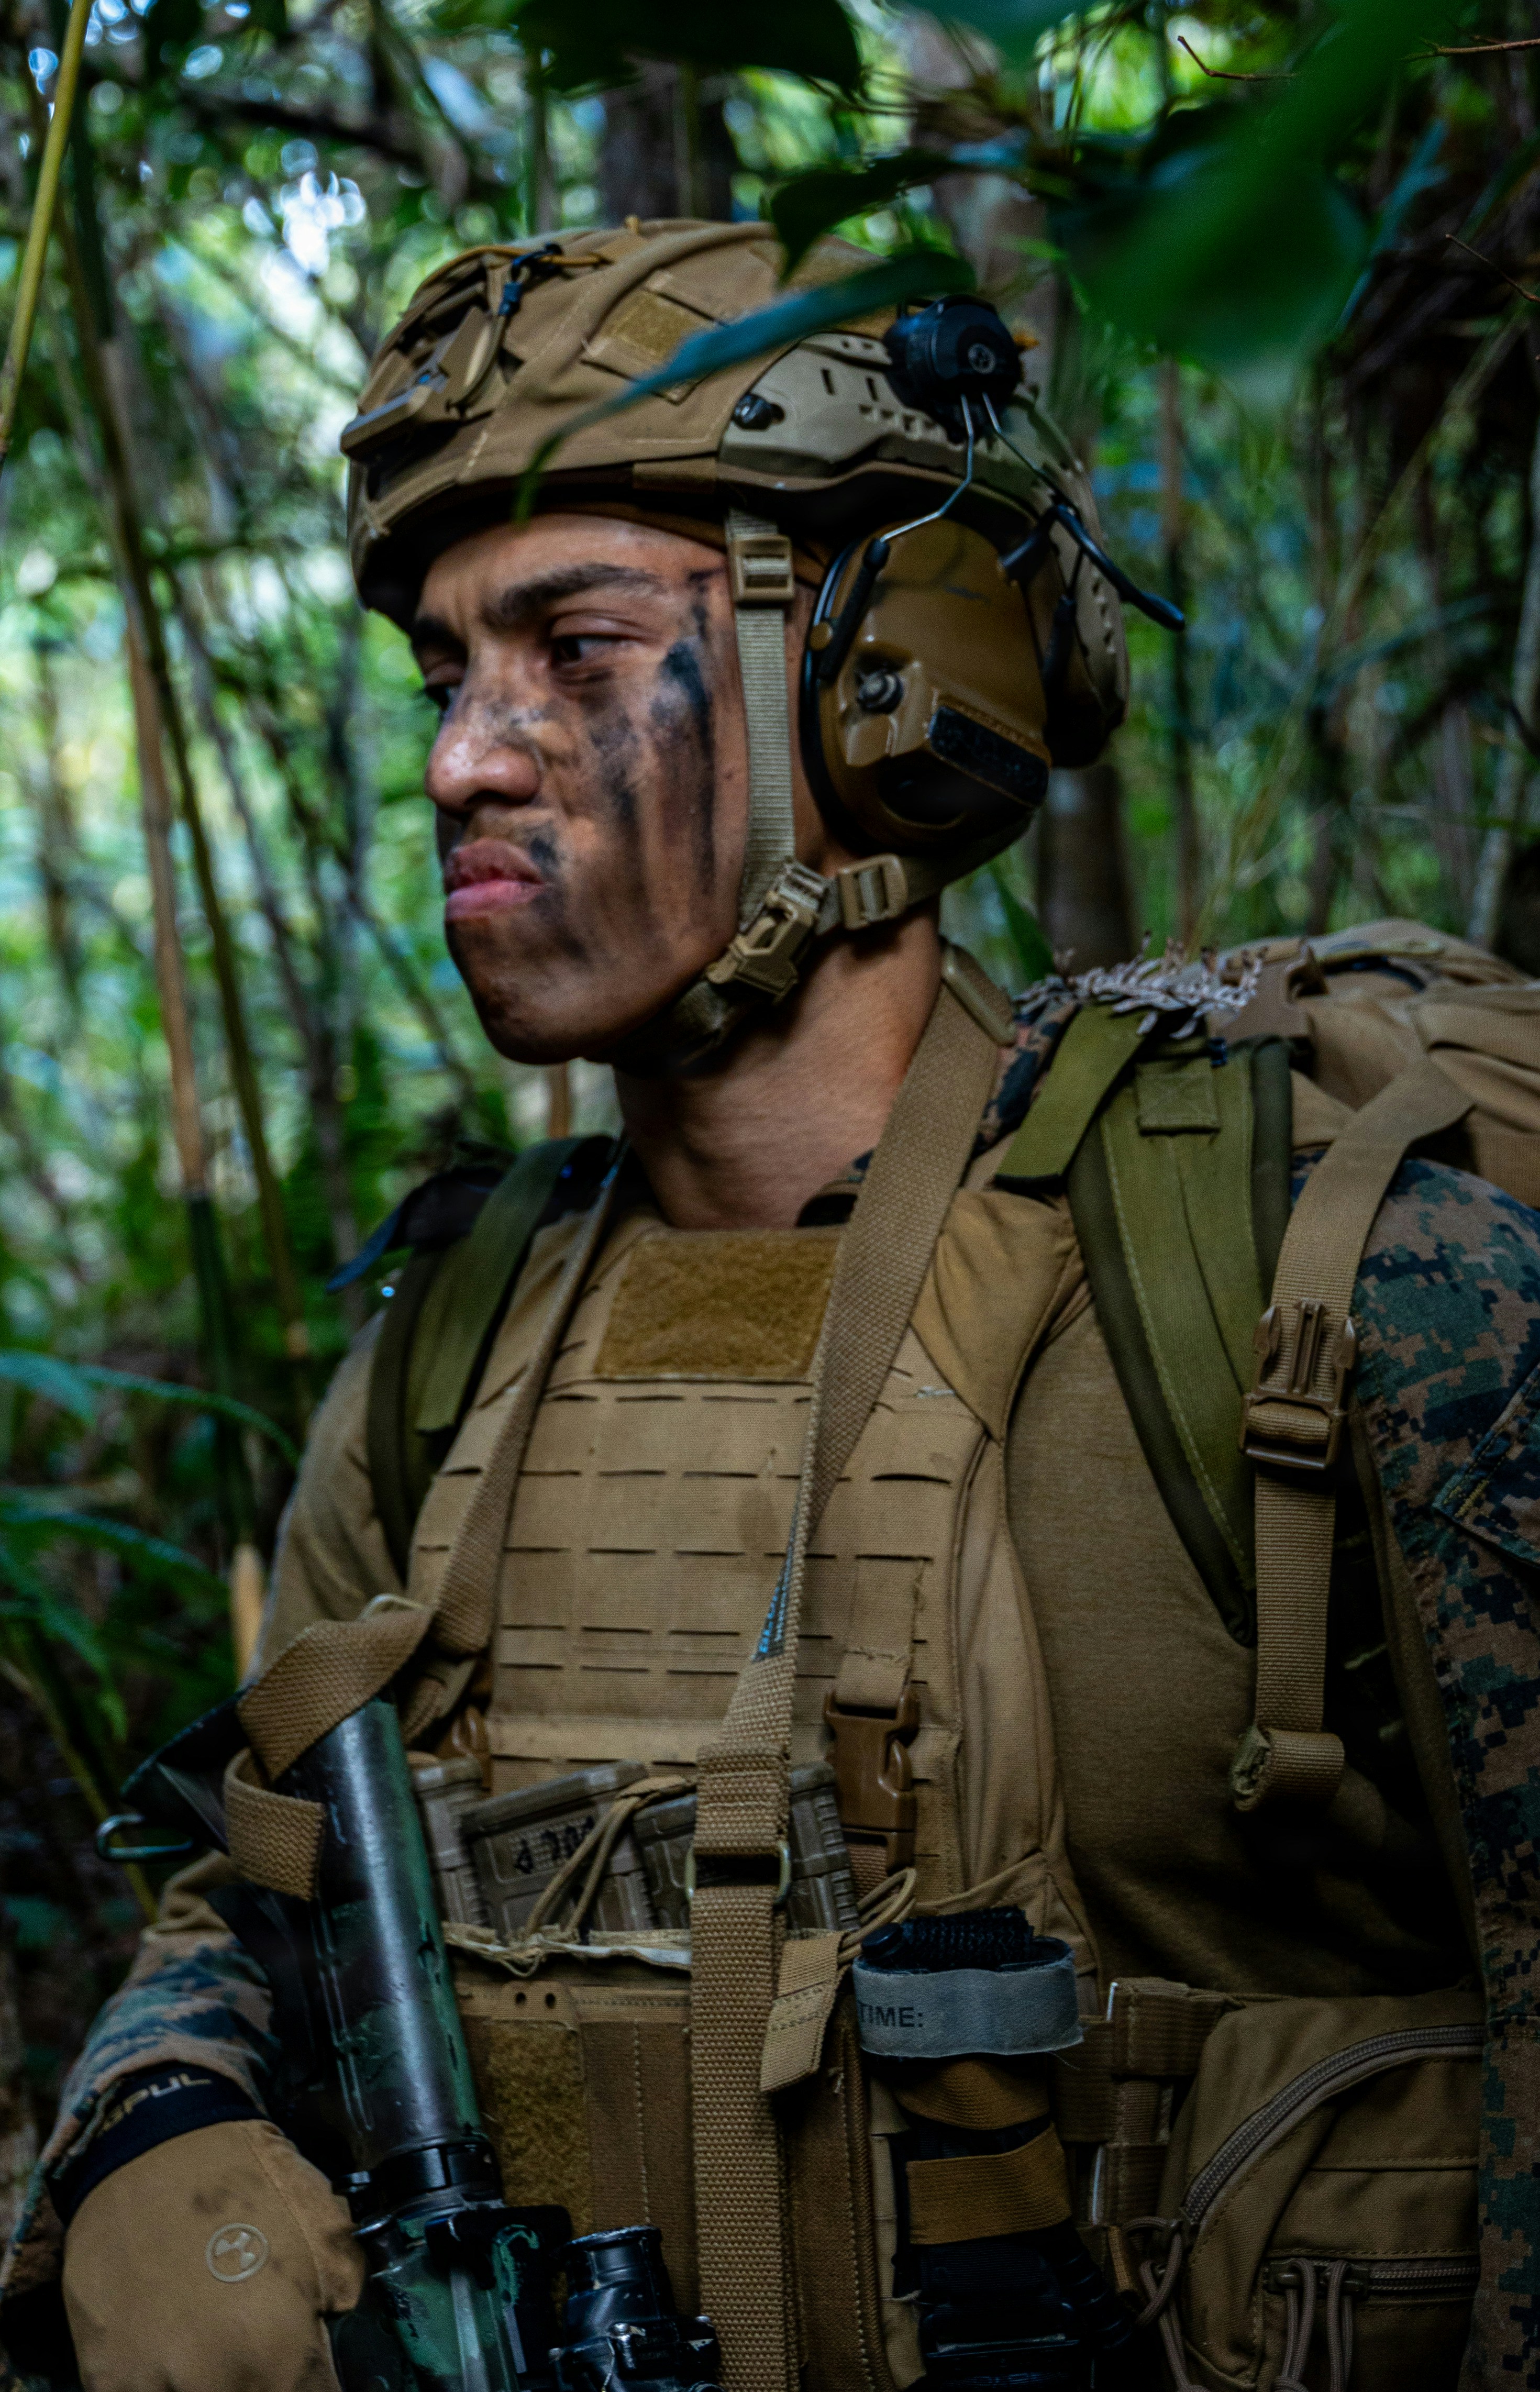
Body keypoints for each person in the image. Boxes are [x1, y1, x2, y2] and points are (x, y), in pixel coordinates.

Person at [4, 218, 1539, 2392]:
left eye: (574, 645)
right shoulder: (446, 1344)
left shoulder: (1327, 1287)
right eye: (445, 673)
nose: (462, 758)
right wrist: (158, 2119)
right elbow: (253, 1903)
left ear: (880, 686)